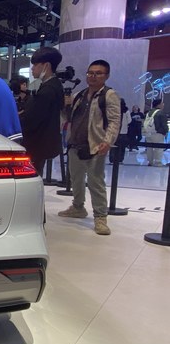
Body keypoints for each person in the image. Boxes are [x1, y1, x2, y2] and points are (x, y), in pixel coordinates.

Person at [58, 60, 121, 235]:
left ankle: (100, 217)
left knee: (96, 182)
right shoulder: (79, 95)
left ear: (106, 76)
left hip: (95, 145)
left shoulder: (109, 95)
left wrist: (107, 141)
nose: (93, 76)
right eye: (90, 72)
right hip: (74, 144)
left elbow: (114, 121)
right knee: (76, 180)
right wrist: (65, 105)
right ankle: (78, 207)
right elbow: (68, 117)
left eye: (98, 73)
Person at [18, 47, 64, 176]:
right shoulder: (54, 85)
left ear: (46, 66)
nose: (32, 69)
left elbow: (32, 120)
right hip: (43, 144)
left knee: (31, 176)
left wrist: (19, 118)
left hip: (37, 144)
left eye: (35, 65)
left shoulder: (47, 90)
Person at [143, 98, 168, 167]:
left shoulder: (149, 112)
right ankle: (158, 162)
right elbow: (163, 124)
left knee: (149, 148)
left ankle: (150, 161)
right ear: (158, 104)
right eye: (162, 103)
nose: (163, 104)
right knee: (159, 148)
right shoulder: (161, 113)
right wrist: (166, 131)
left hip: (148, 132)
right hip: (158, 133)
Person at [108, 98, 131, 164]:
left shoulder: (114, 109)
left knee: (113, 146)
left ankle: (112, 159)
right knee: (122, 146)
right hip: (123, 131)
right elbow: (129, 120)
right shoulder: (126, 110)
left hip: (114, 131)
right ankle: (120, 160)